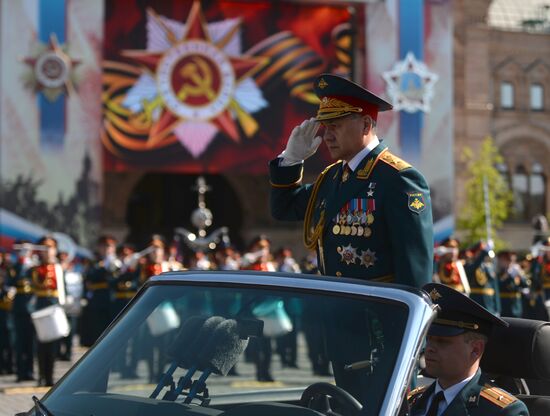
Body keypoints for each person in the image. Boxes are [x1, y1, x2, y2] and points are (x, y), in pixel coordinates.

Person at [269, 73, 433, 287]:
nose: (327, 135)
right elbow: (284, 208)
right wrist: (290, 160)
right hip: (337, 307)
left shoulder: (399, 178)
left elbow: (414, 270)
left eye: (335, 125)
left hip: (376, 311)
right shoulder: (332, 176)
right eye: (326, 127)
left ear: (365, 125)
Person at [408, 283, 529, 415]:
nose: (429, 348)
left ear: (475, 350)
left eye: (442, 341)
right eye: (429, 339)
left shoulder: (503, 411)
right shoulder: (413, 400)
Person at [28, 235, 65, 387]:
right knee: (41, 342)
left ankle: (50, 376)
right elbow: (35, 282)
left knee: (53, 343)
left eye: (51, 248)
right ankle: (41, 376)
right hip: (41, 305)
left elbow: (63, 288)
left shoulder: (58, 267)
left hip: (54, 305)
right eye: (46, 248)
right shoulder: (36, 268)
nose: (49, 251)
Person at [465, 241, 501, 315]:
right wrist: (484, 252)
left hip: (490, 305)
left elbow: (495, 289)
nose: (484, 255)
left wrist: (498, 308)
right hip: (476, 303)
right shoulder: (469, 265)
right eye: (480, 252)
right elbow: (474, 267)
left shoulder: (489, 267)